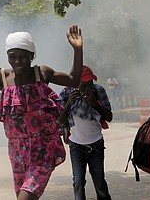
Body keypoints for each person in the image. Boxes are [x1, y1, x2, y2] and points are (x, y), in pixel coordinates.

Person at [0, 24, 83, 200]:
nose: (17, 61)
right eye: (12, 56)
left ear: (32, 56)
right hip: (17, 153)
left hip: (43, 150)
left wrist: (78, 49)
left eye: (23, 56)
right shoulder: (2, 77)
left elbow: (73, 81)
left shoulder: (41, 73)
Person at [58, 65, 112, 200]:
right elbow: (58, 120)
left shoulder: (98, 90)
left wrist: (96, 104)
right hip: (76, 146)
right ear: (75, 82)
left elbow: (109, 117)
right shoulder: (66, 93)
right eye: (84, 83)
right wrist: (69, 104)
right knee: (78, 182)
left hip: (96, 145)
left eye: (90, 82)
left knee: (99, 181)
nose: (88, 86)